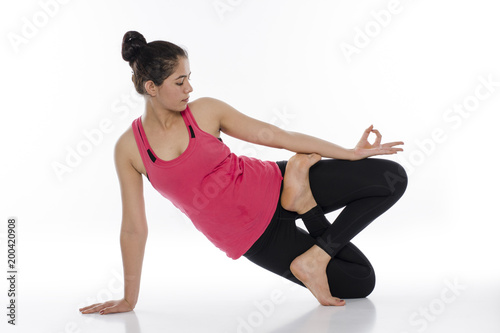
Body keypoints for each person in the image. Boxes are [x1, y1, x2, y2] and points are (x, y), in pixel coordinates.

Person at [79, 31, 407, 315]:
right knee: (361, 281)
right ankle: (306, 212)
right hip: (255, 238)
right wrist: (129, 299)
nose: (189, 88)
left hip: (275, 183)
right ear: (151, 86)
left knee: (391, 177)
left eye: (190, 77)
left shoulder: (204, 111)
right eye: (180, 82)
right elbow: (134, 229)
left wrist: (351, 153)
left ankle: (301, 202)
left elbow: (277, 135)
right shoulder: (130, 149)